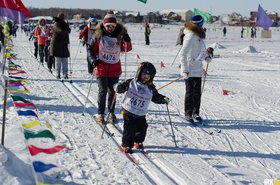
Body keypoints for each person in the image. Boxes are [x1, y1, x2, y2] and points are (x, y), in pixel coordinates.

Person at [115, 62, 170, 153]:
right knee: (130, 128)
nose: (146, 76)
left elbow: (155, 97)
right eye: (144, 74)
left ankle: (138, 141)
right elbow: (122, 87)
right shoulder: (131, 82)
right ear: (139, 73)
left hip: (140, 113)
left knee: (142, 128)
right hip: (129, 110)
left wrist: (163, 99)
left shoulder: (151, 88)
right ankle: (127, 145)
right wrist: (119, 88)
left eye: (149, 75)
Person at [87, 11, 132, 123]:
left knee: (113, 91)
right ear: (104, 25)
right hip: (101, 67)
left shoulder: (119, 35)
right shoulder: (98, 35)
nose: (110, 28)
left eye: (112, 26)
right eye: (108, 26)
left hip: (114, 68)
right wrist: (93, 60)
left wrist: (127, 40)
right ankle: (100, 113)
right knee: (102, 91)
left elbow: (127, 48)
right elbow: (90, 49)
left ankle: (111, 112)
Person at [178, 15, 214, 123]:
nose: (203, 26)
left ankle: (195, 113)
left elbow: (202, 51)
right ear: (198, 25)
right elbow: (182, 54)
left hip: (197, 69)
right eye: (202, 25)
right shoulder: (190, 36)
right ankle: (188, 113)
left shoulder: (199, 36)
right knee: (190, 92)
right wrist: (184, 69)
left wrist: (207, 57)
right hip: (189, 70)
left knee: (197, 92)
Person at [50, 13, 71, 79]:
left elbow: (68, 31)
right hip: (57, 44)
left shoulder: (64, 23)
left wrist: (67, 27)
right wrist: (66, 27)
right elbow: (60, 31)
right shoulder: (56, 24)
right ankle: (58, 73)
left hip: (64, 44)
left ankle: (65, 73)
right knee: (58, 60)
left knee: (65, 60)